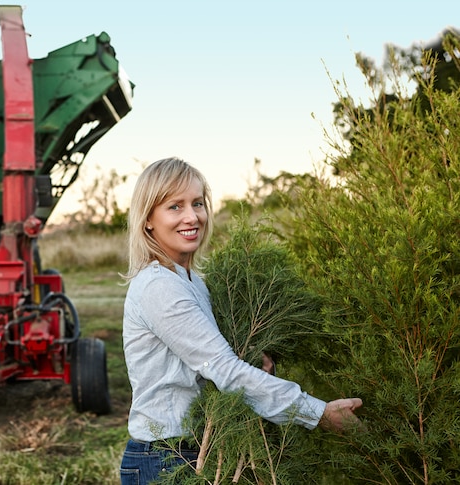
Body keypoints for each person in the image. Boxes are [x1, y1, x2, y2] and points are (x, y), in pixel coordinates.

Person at [118, 157, 362, 485]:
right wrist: (316, 413)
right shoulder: (159, 286)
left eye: (198, 203)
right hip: (166, 459)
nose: (192, 217)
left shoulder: (192, 281)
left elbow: (212, 365)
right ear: (148, 219)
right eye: (175, 206)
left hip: (196, 451)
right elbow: (225, 370)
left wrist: (255, 361)